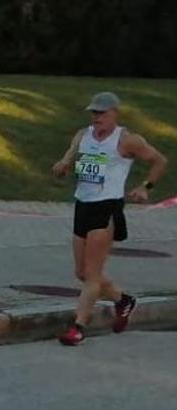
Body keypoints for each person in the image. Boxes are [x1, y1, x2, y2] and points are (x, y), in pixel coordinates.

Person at [52, 91, 168, 345]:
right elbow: (68, 160)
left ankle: (78, 326)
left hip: (107, 208)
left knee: (93, 275)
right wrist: (61, 167)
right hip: (83, 205)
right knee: (81, 272)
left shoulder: (127, 140)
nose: (97, 118)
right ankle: (123, 300)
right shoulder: (82, 136)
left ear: (115, 113)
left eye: (102, 113)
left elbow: (159, 161)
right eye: (94, 113)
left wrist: (145, 187)